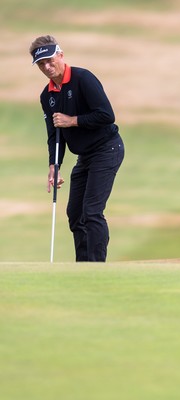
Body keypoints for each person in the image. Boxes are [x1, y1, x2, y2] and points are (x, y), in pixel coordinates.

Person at [29, 35, 124, 262]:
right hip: (84, 156)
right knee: (75, 214)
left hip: (106, 149)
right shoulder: (47, 95)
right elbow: (54, 135)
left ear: (60, 55)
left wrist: (72, 120)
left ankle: (95, 267)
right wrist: (54, 165)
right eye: (41, 64)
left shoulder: (83, 78)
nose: (47, 67)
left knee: (92, 212)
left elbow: (106, 115)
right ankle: (82, 267)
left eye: (50, 60)